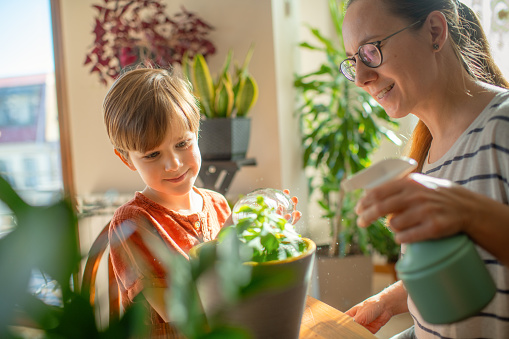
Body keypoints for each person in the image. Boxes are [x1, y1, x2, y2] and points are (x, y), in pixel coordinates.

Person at [339, 0, 509, 338]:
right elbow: (466, 274)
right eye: (353, 60)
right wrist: (389, 300)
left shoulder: (502, 127)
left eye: (371, 50)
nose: (360, 77)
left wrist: (469, 214)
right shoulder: (425, 156)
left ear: (434, 31)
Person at [103, 66, 231, 337]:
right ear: (126, 158)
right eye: (152, 155)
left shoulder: (218, 205)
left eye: (183, 144)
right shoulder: (132, 223)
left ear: (196, 133)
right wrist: (233, 236)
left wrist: (268, 235)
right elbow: (176, 310)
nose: (173, 164)